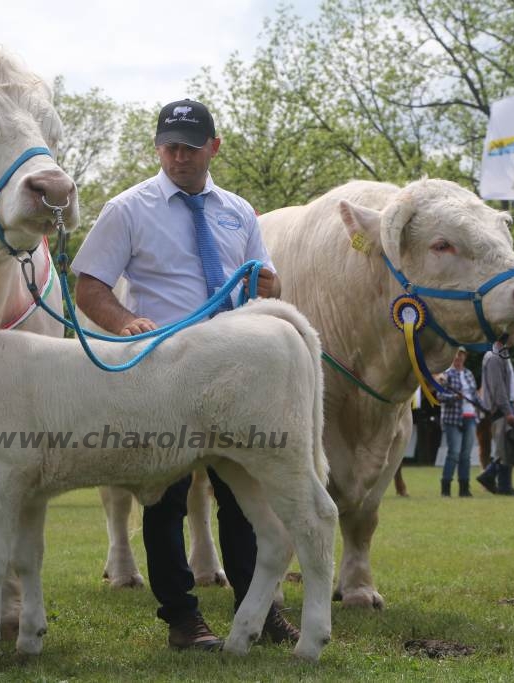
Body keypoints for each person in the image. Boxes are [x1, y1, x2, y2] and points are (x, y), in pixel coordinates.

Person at [71, 99, 295, 650]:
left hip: (231, 374)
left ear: (213, 147)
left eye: (190, 146)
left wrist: (272, 288)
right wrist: (124, 321)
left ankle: (257, 608)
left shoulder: (240, 211)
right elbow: (89, 287)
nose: (178, 156)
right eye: (169, 145)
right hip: (164, 373)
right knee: (164, 499)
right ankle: (182, 618)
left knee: (244, 497)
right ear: (158, 148)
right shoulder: (127, 209)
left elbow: (263, 281)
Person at [476, 332, 514, 495]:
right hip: (501, 407)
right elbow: (498, 388)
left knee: (508, 445)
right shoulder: (493, 358)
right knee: (505, 445)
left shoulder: (502, 354)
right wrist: (508, 411)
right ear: (505, 337)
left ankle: (498, 480)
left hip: (508, 405)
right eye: (513, 335)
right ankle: (493, 478)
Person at [437, 347, 479, 497]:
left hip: (470, 416)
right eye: (456, 354)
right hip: (452, 418)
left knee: (466, 455)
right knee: (454, 453)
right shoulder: (446, 375)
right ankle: (446, 488)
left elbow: (474, 395)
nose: (458, 357)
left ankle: (464, 488)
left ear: (465, 356)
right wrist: (455, 397)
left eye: (461, 354)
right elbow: (440, 397)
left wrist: (482, 407)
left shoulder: (469, 374)